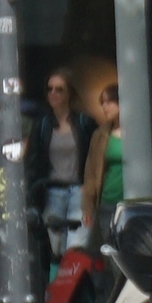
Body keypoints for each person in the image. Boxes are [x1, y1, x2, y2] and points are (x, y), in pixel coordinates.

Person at [35, 69, 99, 256]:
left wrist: (89, 188)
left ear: (69, 93)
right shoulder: (43, 125)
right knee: (56, 249)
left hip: (79, 192)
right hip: (53, 192)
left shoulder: (83, 122)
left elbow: (94, 156)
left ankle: (74, 285)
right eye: (50, 89)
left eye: (59, 90)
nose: (53, 94)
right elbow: (34, 160)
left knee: (76, 248)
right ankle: (58, 284)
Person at [79, 82, 124, 243]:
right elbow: (91, 173)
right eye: (102, 103)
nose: (105, 107)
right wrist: (87, 207)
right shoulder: (101, 135)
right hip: (108, 201)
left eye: (109, 102)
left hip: (132, 202)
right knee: (110, 249)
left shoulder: (140, 130)